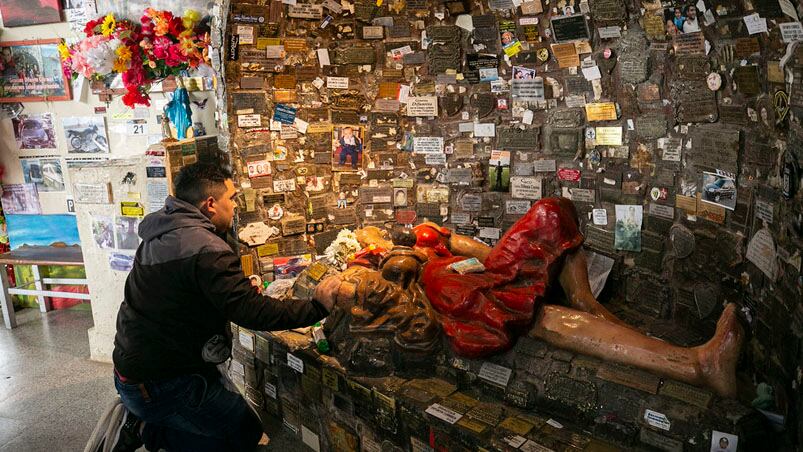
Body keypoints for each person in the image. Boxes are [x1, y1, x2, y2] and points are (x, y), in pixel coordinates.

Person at [330, 198, 744, 397]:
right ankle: (695, 364)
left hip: (476, 272)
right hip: (447, 289)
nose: (372, 231)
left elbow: (477, 252)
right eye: (365, 233)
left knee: (551, 211)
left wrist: (507, 267)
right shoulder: (368, 264)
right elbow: (343, 293)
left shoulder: (426, 234)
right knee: (536, 319)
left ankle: (584, 298)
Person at [109, 163, 340, 452]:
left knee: (239, 423)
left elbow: (181, 295)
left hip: (141, 366)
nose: (234, 205)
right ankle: (149, 430)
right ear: (210, 204)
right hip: (157, 383)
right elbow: (251, 311)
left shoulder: (163, 230)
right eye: (230, 198)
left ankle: (158, 421)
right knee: (242, 434)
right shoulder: (205, 247)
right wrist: (317, 307)